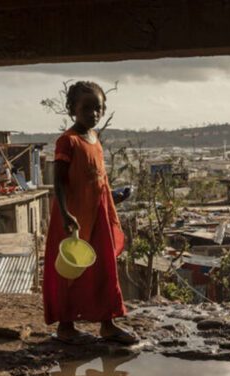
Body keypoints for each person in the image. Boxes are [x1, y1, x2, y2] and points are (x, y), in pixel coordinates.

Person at [43, 81, 137, 345]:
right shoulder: (67, 141)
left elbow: (98, 180)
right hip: (73, 218)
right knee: (69, 273)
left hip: (98, 215)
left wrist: (112, 199)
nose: (93, 114)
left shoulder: (95, 139)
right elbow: (58, 182)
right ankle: (66, 326)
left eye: (98, 108)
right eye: (86, 108)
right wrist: (64, 214)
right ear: (72, 108)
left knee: (104, 267)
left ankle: (108, 323)